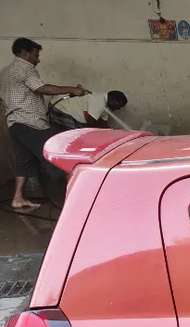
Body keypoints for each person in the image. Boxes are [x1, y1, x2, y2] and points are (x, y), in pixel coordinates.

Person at [0, 37, 89, 211]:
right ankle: (70, 203)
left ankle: (18, 198)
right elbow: (42, 88)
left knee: (23, 161)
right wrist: (72, 89)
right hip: (31, 123)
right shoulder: (25, 68)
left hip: (14, 123)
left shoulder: (5, 72)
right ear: (25, 53)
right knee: (55, 160)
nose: (38, 59)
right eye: (36, 54)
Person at [51, 89, 127, 128]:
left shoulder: (106, 105)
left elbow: (103, 123)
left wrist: (112, 133)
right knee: (75, 135)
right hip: (60, 109)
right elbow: (90, 120)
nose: (119, 108)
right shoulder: (100, 102)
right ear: (114, 101)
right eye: (119, 106)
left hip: (63, 109)